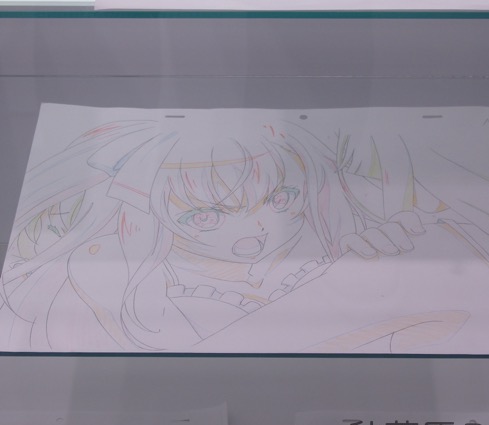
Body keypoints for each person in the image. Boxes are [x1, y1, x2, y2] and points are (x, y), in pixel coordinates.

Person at [0, 116, 424, 351]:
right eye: (206, 217)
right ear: (152, 211)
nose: (257, 231)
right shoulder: (114, 276)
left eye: (280, 199)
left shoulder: (333, 242)